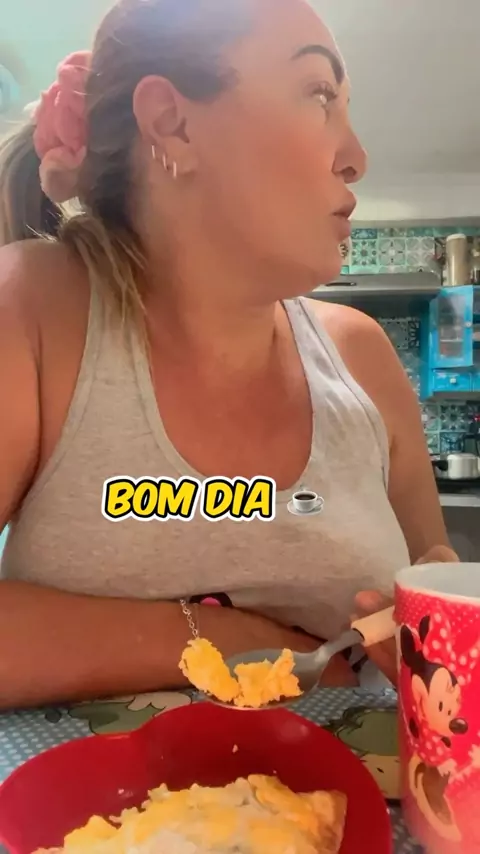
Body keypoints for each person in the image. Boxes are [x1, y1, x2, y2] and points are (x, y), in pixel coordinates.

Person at [0, 0, 456, 710]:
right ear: (174, 125)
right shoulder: (32, 308)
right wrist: (223, 641)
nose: (356, 157)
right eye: (318, 94)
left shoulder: (361, 355)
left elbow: (436, 608)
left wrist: (439, 641)